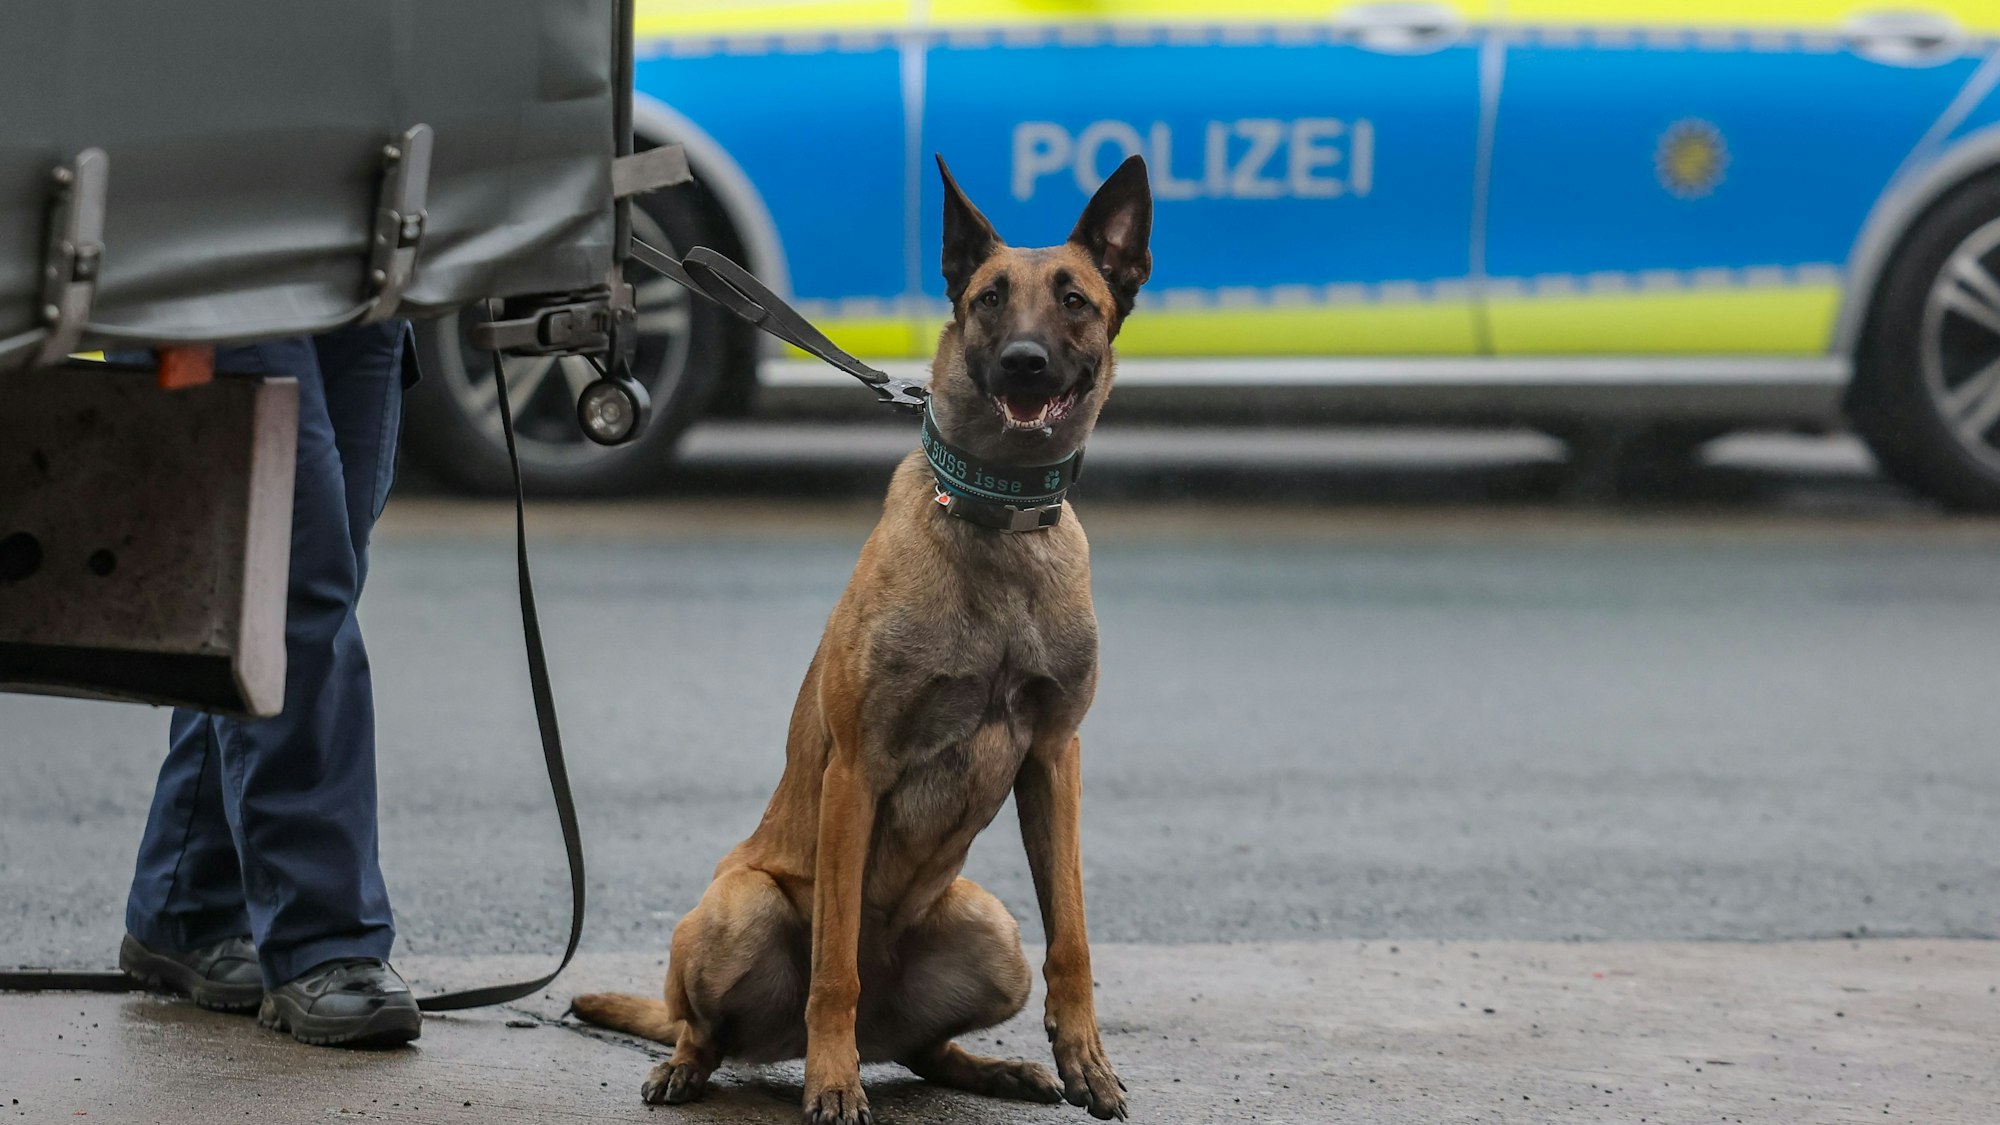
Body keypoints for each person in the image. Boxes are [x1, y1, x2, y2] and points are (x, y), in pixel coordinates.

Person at [115, 322, 422, 1048]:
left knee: (301, 582)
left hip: (362, 268)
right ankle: (323, 941)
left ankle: (187, 904)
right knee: (290, 584)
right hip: (228, 258)